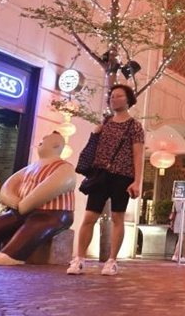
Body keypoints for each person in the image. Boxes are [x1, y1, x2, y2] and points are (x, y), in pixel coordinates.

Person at [0, 131, 76, 265]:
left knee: (34, 226)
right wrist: (10, 198)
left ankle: (12, 255)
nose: (42, 140)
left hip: (53, 213)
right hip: (20, 210)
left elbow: (55, 185)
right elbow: (9, 185)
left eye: (45, 139)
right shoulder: (31, 167)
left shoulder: (64, 167)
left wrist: (27, 203)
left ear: (56, 145)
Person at [66, 84, 144, 276]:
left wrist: (137, 181)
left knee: (118, 218)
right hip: (100, 175)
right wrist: (96, 132)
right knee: (89, 217)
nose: (113, 99)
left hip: (123, 176)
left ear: (128, 100)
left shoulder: (134, 126)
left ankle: (112, 261)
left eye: (118, 96)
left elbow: (138, 155)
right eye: (111, 96)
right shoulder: (105, 122)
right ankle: (80, 259)